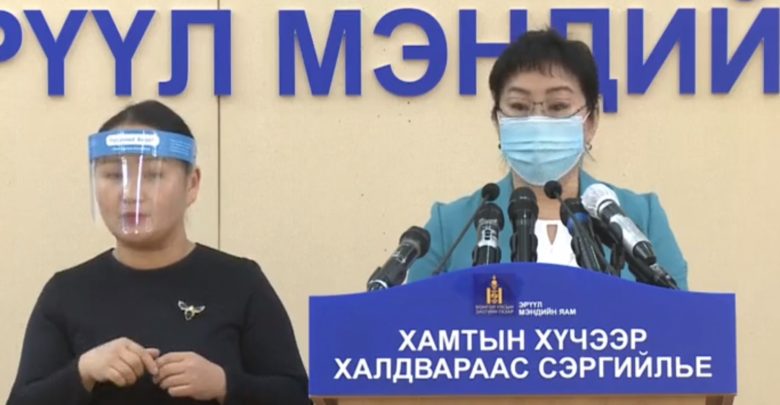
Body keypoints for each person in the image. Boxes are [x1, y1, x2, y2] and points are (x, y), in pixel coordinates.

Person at [7, 100, 310, 404]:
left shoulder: (240, 282)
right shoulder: (66, 292)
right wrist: (82, 373)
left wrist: (225, 384)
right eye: (114, 176)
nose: (130, 193)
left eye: (152, 175)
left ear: (192, 185)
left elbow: (296, 395)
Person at [406, 29, 688, 290]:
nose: (537, 121)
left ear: (590, 121)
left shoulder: (639, 217)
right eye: (519, 106)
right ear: (498, 122)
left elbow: (677, 316)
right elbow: (413, 317)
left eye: (558, 106)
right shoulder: (452, 225)